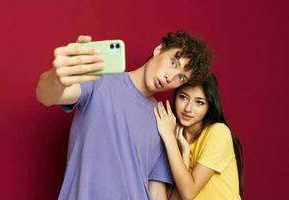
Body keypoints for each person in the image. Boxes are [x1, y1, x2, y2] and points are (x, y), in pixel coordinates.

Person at [36, 31, 212, 200]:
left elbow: (156, 192)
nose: (170, 77)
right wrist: (56, 77)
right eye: (173, 62)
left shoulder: (163, 119)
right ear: (159, 50)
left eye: (181, 78)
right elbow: (46, 96)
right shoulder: (101, 81)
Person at [154, 74, 244, 200]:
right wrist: (185, 156)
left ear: (209, 106)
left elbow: (188, 193)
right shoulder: (175, 141)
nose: (188, 108)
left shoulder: (219, 132)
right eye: (183, 97)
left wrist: (168, 137)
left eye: (199, 102)